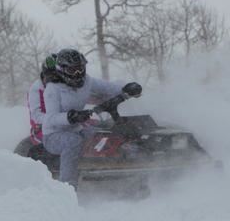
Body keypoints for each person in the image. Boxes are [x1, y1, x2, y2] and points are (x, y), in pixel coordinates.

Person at [42, 48, 143, 189]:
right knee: (73, 142)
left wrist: (126, 88)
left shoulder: (86, 81)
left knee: (105, 137)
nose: (78, 74)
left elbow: (109, 87)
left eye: (80, 69)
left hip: (77, 129)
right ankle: (67, 187)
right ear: (62, 70)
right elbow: (51, 118)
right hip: (53, 135)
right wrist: (72, 116)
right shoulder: (53, 89)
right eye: (73, 71)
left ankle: (121, 175)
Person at [27, 53, 60, 144]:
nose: (55, 80)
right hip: (43, 130)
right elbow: (36, 116)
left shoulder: (63, 87)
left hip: (67, 124)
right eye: (52, 76)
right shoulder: (37, 89)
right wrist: (61, 119)